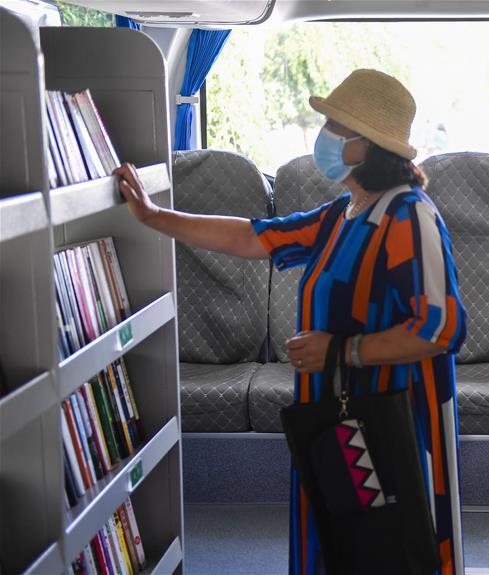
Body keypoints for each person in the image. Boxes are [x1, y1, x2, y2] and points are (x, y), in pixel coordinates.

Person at [114, 69, 467, 574]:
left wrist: (341, 351)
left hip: (395, 424)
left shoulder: (411, 216)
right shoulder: (343, 214)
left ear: (366, 148)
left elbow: (440, 328)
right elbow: (251, 237)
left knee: (392, 549)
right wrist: (154, 217)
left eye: (335, 128)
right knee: (344, 541)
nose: (324, 136)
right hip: (337, 415)